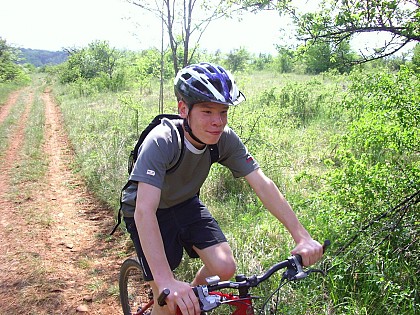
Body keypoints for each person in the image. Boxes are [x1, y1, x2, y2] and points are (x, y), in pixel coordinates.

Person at [121, 62, 323, 315]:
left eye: (223, 112)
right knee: (167, 302)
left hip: (185, 203)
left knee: (225, 267)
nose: (217, 122)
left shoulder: (225, 139)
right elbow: (144, 211)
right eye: (207, 112)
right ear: (183, 109)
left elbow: (263, 184)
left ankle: (192, 305)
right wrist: (166, 282)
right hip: (147, 210)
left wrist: (301, 236)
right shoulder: (163, 141)